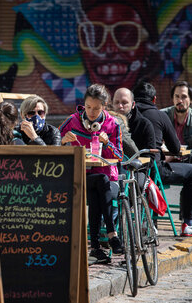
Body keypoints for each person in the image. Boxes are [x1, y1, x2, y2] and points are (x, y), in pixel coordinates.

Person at [59, 84, 123, 263]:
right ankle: (112, 235)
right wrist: (63, 141)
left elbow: (119, 156)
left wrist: (107, 143)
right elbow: (54, 144)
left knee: (99, 188)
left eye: (96, 108)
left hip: (106, 176)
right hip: (80, 174)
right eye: (88, 107)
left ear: (104, 106)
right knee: (99, 184)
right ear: (83, 105)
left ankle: (95, 247)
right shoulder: (72, 121)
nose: (91, 112)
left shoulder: (113, 124)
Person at [133, 81, 192, 237]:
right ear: (154, 100)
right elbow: (175, 148)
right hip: (153, 171)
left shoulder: (124, 114)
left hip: (129, 171)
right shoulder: (160, 115)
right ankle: (188, 223)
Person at [161, 81, 192, 182]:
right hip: (166, 160)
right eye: (177, 96)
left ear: (191, 100)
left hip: (188, 160)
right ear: (172, 99)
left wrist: (179, 153)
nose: (180, 100)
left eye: (184, 97)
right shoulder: (162, 115)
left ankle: (188, 196)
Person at [113, 87, 156, 153]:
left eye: (124, 102)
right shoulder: (106, 123)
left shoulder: (144, 125)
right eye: (116, 102)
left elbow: (150, 156)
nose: (120, 106)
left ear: (133, 105)